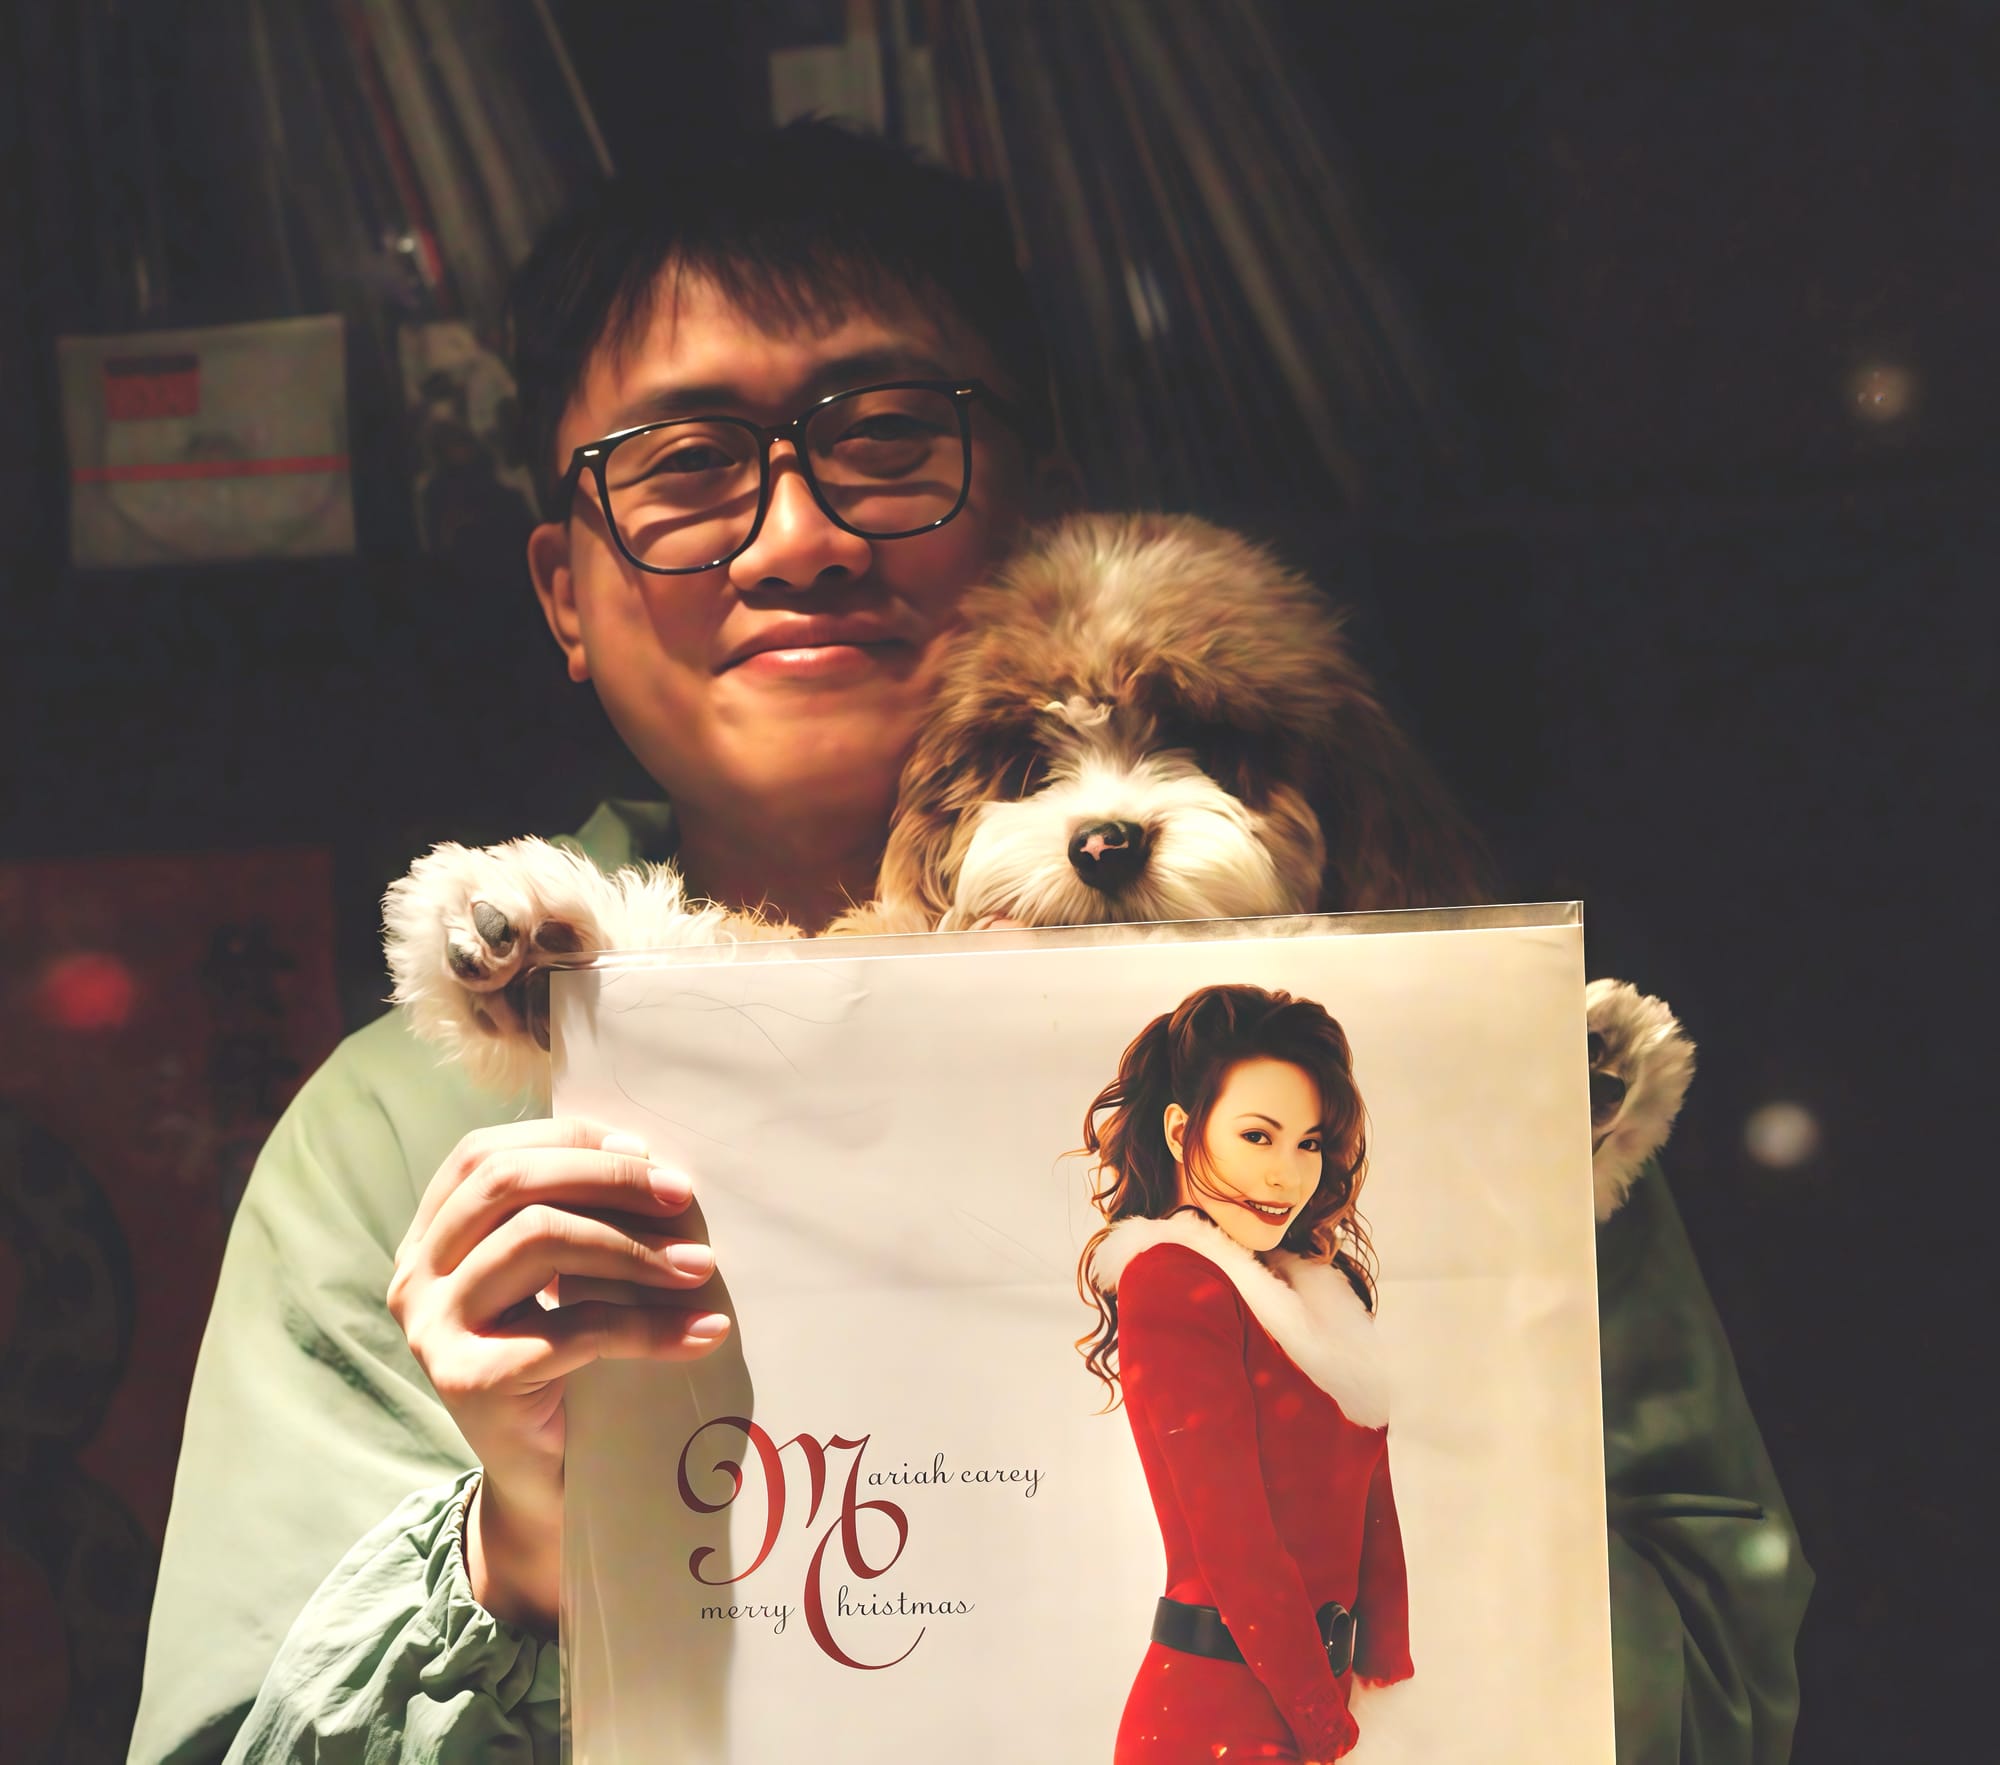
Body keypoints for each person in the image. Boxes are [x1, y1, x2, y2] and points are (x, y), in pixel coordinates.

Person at [129, 121, 1810, 1763]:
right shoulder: (401, 1136)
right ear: (567, 591)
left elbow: (1722, 1686)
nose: (795, 538)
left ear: (1040, 507)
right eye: (685, 467)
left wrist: (1428, 1357)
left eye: (883, 441)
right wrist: (534, 1553)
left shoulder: (1403, 1048)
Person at [1077, 984, 1410, 1763]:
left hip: (1322, 1710)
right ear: (1180, 1129)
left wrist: (1388, 1691)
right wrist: (1329, 1730)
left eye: (1309, 1142)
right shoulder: (1171, 1278)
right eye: (1258, 1136)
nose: (1287, 1174)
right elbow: (1236, 1541)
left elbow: (1375, 1526)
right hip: (1217, 1720)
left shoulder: (1321, 1298)